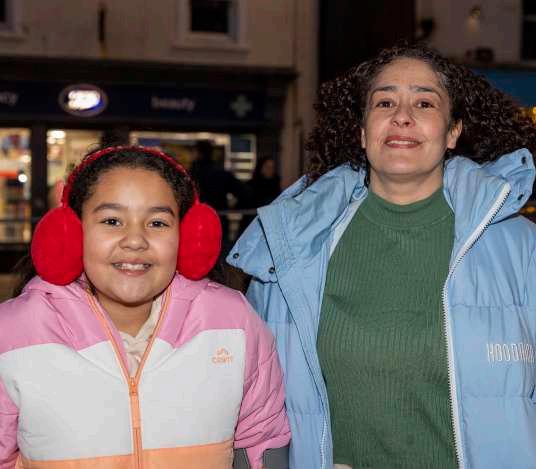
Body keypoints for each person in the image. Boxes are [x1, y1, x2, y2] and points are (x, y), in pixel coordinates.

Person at [227, 43, 536, 469]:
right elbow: (254, 409)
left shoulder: (521, 248)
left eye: (424, 103)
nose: (402, 116)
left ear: (452, 132)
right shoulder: (289, 246)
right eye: (385, 102)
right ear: (362, 131)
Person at [0, 145, 290, 468]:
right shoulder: (13, 333)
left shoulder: (234, 324)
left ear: (188, 237)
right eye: (112, 220)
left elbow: (262, 444)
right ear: (71, 232)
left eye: (157, 223)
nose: (135, 240)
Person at [239, 157, 282, 234]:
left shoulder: (275, 184)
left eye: (272, 167)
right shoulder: (251, 185)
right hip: (251, 225)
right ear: (261, 168)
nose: (270, 170)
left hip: (270, 227)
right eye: (267, 167)